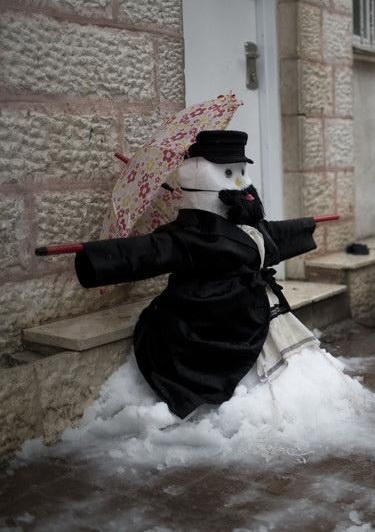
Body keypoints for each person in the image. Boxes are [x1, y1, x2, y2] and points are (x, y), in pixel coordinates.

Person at [74, 131, 321, 418]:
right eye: (229, 172)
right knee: (241, 391)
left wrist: (308, 226)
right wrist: (96, 257)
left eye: (242, 171)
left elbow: (272, 235)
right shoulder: (190, 235)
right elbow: (150, 251)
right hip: (211, 315)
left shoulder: (246, 224)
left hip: (252, 308)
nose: (242, 182)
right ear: (200, 179)